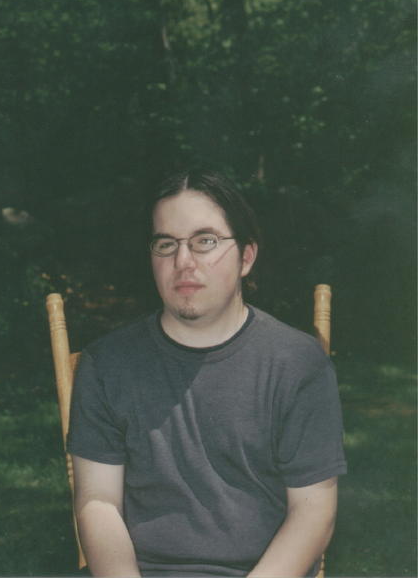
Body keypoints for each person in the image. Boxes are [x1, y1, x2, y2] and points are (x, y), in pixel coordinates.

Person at [67, 168, 347, 577]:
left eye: (205, 241)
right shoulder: (108, 365)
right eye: (166, 244)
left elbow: (313, 514)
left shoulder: (297, 364)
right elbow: (98, 502)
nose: (183, 262)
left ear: (246, 256)